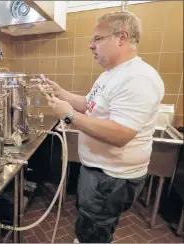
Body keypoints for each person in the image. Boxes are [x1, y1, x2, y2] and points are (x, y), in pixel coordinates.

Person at [44, 11, 165, 243]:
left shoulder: (138, 78)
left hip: (111, 178)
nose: (91, 45)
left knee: (94, 232)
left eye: (97, 39)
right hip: (100, 172)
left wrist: (68, 115)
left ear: (122, 37)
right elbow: (89, 105)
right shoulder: (111, 75)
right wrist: (62, 94)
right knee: (91, 224)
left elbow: (120, 134)